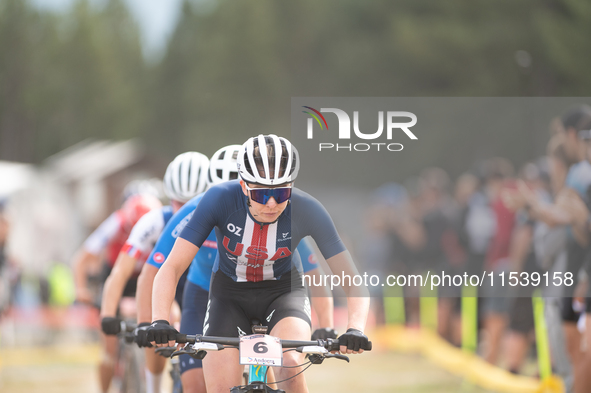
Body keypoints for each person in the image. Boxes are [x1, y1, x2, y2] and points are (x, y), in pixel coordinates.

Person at [147, 134, 370, 393]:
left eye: (281, 192)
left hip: (284, 294)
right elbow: (171, 267)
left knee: (289, 365)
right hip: (228, 296)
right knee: (218, 387)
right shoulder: (219, 199)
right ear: (243, 185)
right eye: (262, 194)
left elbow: (352, 280)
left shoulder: (307, 208)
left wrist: (355, 328)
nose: (273, 203)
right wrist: (159, 320)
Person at [99, 151, 210, 393]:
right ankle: (154, 387)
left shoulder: (217, 218)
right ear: (169, 198)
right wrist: (115, 315)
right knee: (157, 329)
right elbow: (120, 273)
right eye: (180, 204)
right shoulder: (153, 222)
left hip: (199, 286)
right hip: (165, 285)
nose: (187, 212)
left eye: (195, 202)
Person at [71, 191, 162, 393]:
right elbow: (81, 259)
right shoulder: (116, 222)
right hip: (116, 275)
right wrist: (81, 289)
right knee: (109, 350)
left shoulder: (161, 223)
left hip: (143, 277)